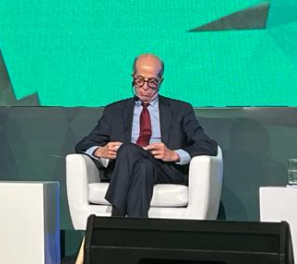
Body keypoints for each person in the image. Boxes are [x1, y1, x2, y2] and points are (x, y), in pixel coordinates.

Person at [74, 53, 218, 217]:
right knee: (142, 166)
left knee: (128, 149)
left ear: (161, 81)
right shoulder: (114, 111)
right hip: (131, 170)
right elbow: (83, 144)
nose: (144, 87)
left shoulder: (180, 110)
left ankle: (115, 218)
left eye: (152, 82)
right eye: (139, 80)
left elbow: (208, 145)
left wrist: (174, 154)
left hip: (165, 170)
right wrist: (100, 151)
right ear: (132, 77)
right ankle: (136, 232)